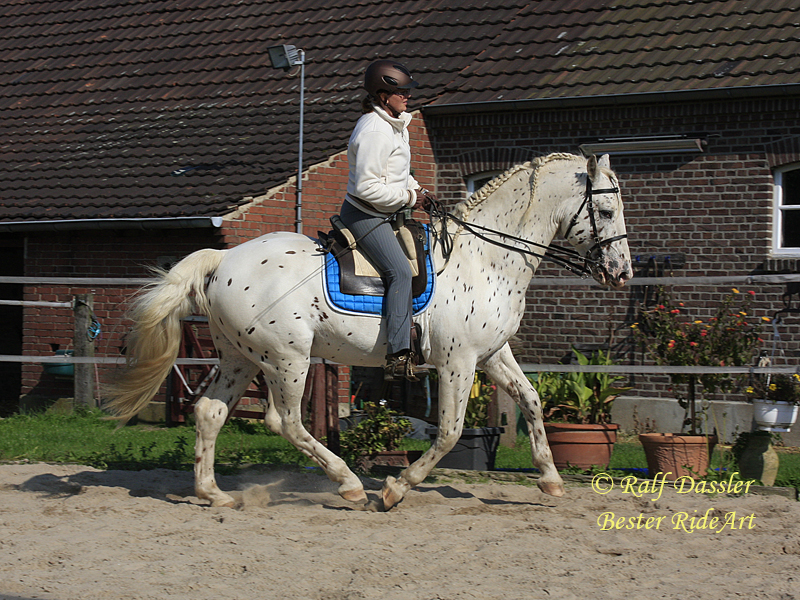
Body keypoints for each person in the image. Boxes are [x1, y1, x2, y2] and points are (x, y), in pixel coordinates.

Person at [339, 59, 435, 381]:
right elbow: (368, 187)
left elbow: (397, 175)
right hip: (365, 214)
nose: (407, 97)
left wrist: (419, 190)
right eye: (402, 93)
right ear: (383, 96)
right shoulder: (375, 130)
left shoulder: (395, 125)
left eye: (407, 92)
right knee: (399, 271)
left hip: (386, 211)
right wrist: (410, 199)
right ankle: (397, 354)